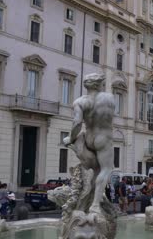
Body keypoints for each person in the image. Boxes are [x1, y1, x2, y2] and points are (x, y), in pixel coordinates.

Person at [62, 73, 115, 215]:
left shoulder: (80, 101)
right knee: (106, 169)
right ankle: (96, 205)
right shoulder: (109, 99)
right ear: (99, 84)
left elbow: (77, 123)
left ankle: (88, 198)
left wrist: (71, 138)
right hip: (103, 137)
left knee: (96, 171)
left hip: (88, 137)